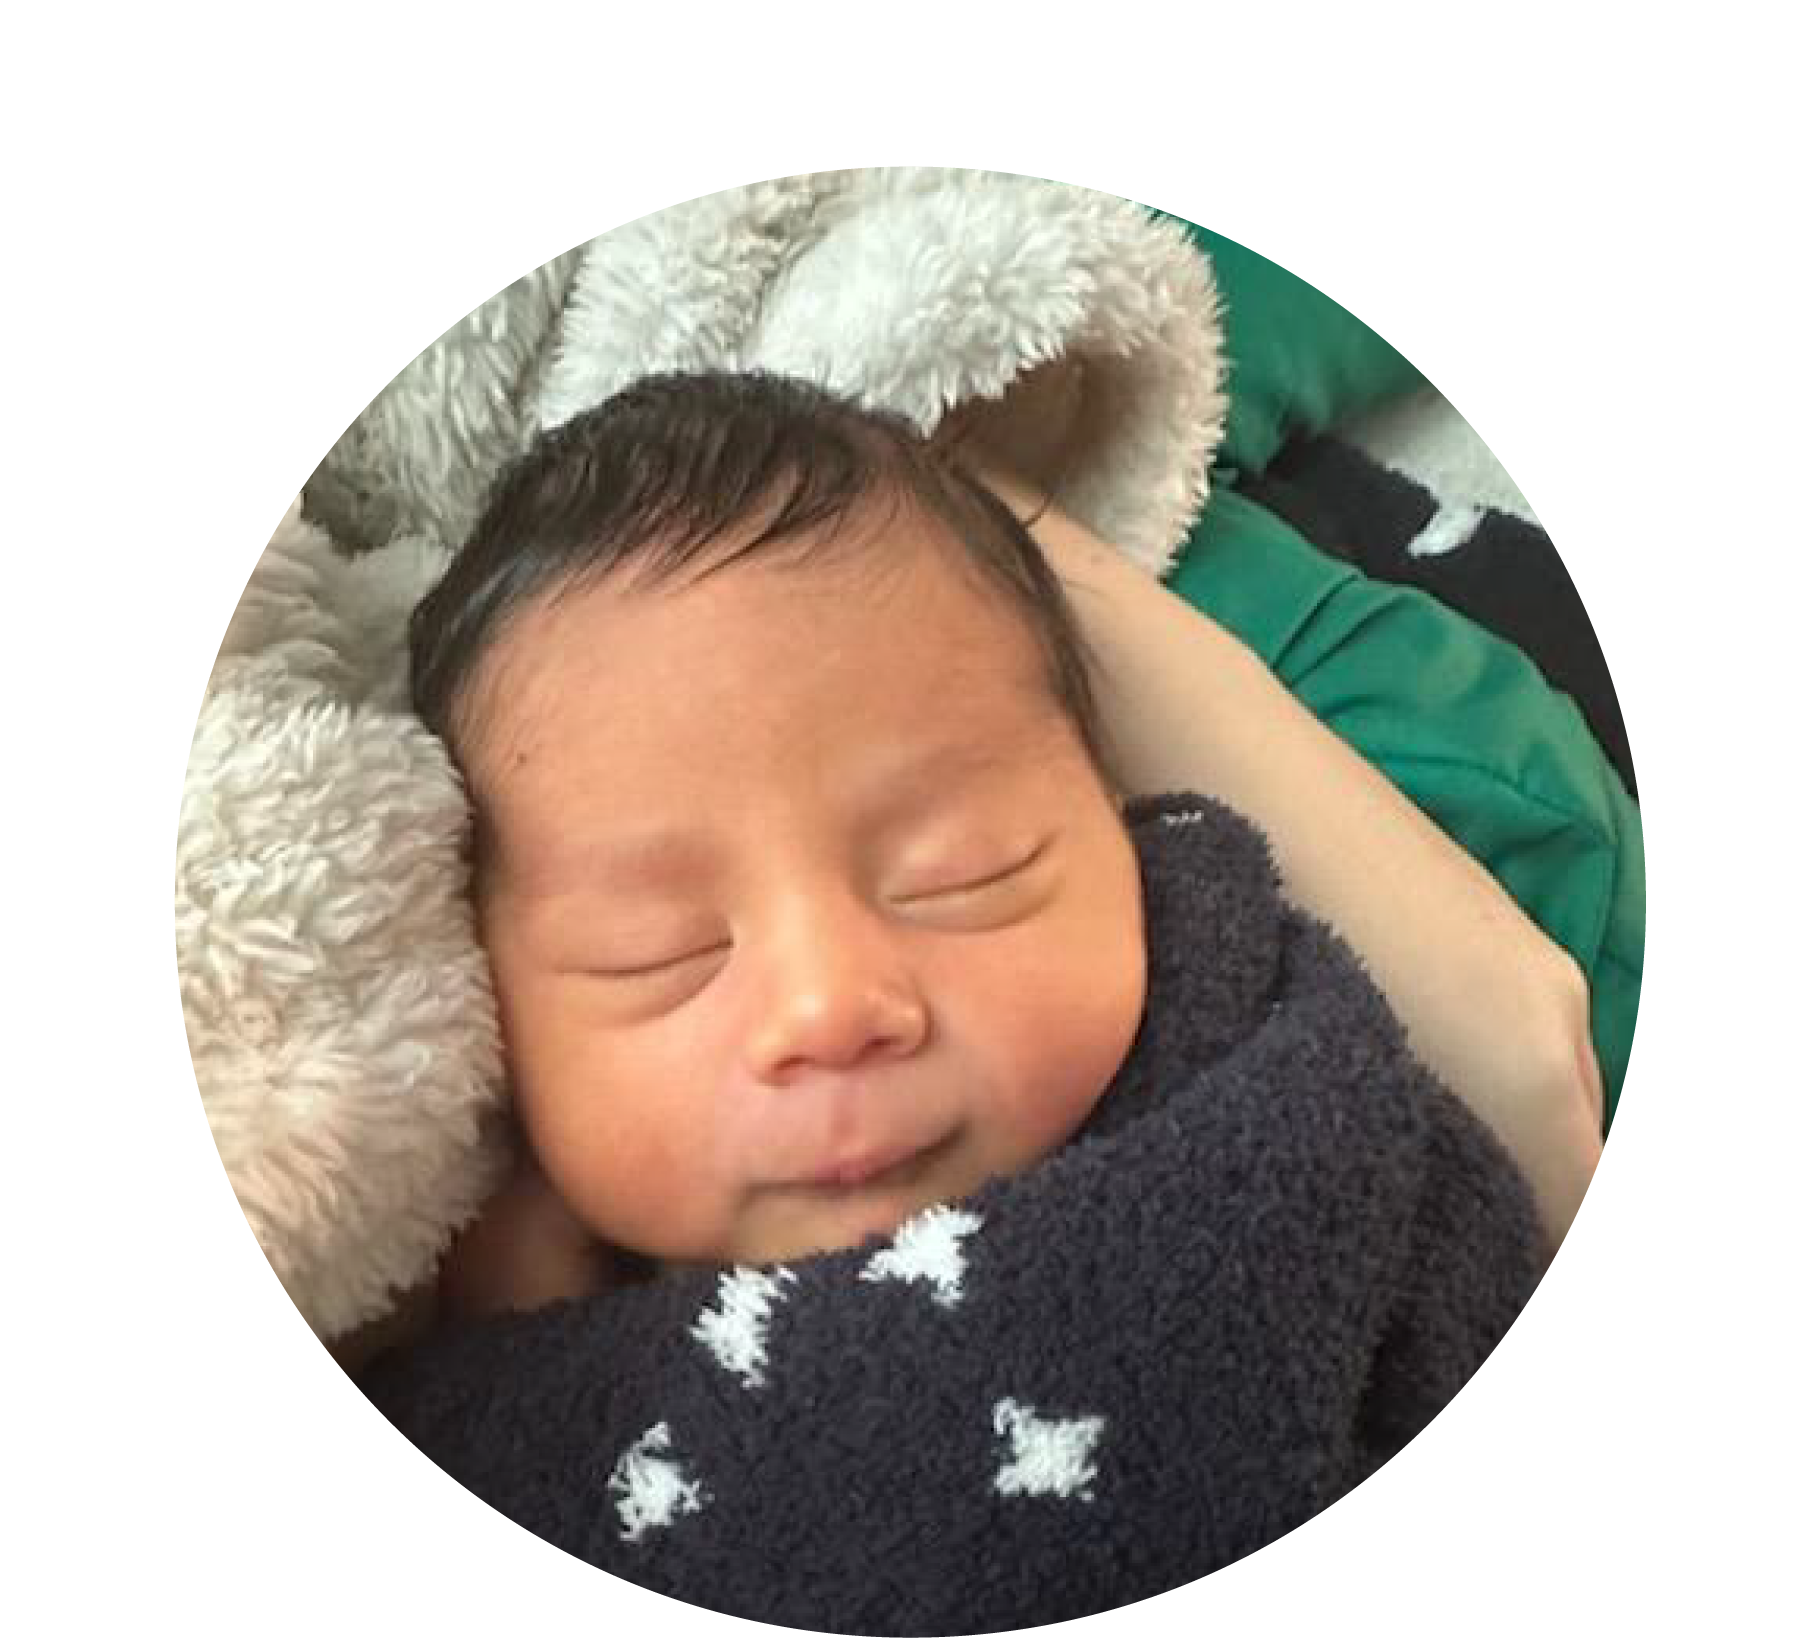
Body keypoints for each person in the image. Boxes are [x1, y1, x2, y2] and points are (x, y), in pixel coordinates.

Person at [326, 366, 1602, 1385]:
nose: (830, 1007)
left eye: (961, 875)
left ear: (1120, 815)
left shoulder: (1284, 1091)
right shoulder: (497, 1335)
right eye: (657, 950)